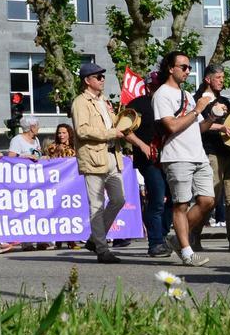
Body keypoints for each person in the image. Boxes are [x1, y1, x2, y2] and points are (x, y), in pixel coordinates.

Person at [153, 51, 225, 267]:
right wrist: (198, 109)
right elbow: (172, 126)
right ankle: (186, 250)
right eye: (183, 67)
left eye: (188, 67)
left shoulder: (186, 95)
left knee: (207, 201)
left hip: (197, 154)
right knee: (181, 205)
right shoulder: (162, 94)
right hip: (177, 156)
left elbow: (199, 127)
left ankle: (177, 238)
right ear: (170, 68)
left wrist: (211, 117)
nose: (188, 71)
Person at [71, 61, 127, 264]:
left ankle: (95, 239)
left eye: (103, 76)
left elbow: (113, 124)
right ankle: (102, 250)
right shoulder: (80, 102)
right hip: (94, 158)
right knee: (96, 205)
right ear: (87, 80)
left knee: (119, 199)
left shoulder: (103, 101)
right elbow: (82, 130)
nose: (102, 79)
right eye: (98, 76)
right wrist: (112, 132)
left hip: (113, 155)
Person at [194, 63, 230, 252]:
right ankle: (193, 236)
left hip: (229, 155)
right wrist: (220, 127)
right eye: (218, 78)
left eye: (222, 78)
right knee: (209, 199)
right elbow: (198, 126)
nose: (222, 81)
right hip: (211, 153)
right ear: (207, 79)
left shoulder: (225, 101)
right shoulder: (199, 100)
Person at [125, 76, 174, 258]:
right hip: (148, 160)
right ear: (148, 86)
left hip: (168, 157)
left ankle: (161, 235)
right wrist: (141, 145)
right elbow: (124, 129)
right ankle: (155, 242)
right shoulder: (138, 103)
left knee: (174, 199)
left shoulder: (168, 102)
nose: (158, 88)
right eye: (155, 85)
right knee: (157, 198)